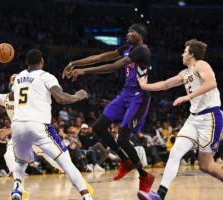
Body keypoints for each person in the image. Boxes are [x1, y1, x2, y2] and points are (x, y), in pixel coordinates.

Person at [63, 23, 154, 192]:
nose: (128, 33)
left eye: (132, 31)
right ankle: (125, 161)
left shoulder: (143, 50)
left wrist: (84, 71)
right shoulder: (127, 48)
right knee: (98, 127)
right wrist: (74, 63)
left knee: (122, 138)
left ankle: (143, 175)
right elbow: (101, 57)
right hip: (126, 93)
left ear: (140, 36)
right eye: (127, 30)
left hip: (139, 97)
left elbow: (114, 66)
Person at [137, 39, 223, 200]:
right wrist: (144, 86)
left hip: (210, 118)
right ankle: (160, 195)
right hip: (193, 119)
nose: (182, 54)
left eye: (185, 51)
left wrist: (188, 96)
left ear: (191, 54)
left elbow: (211, 83)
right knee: (175, 152)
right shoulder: (185, 73)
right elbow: (165, 84)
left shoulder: (201, 65)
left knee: (206, 165)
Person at [10, 49, 93, 200]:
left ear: (26, 62)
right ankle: (87, 197)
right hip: (38, 125)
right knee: (66, 162)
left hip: (17, 125)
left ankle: (17, 188)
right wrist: (77, 96)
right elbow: (61, 98)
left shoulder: (19, 77)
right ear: (42, 61)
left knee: (20, 161)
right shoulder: (46, 76)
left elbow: (11, 95)